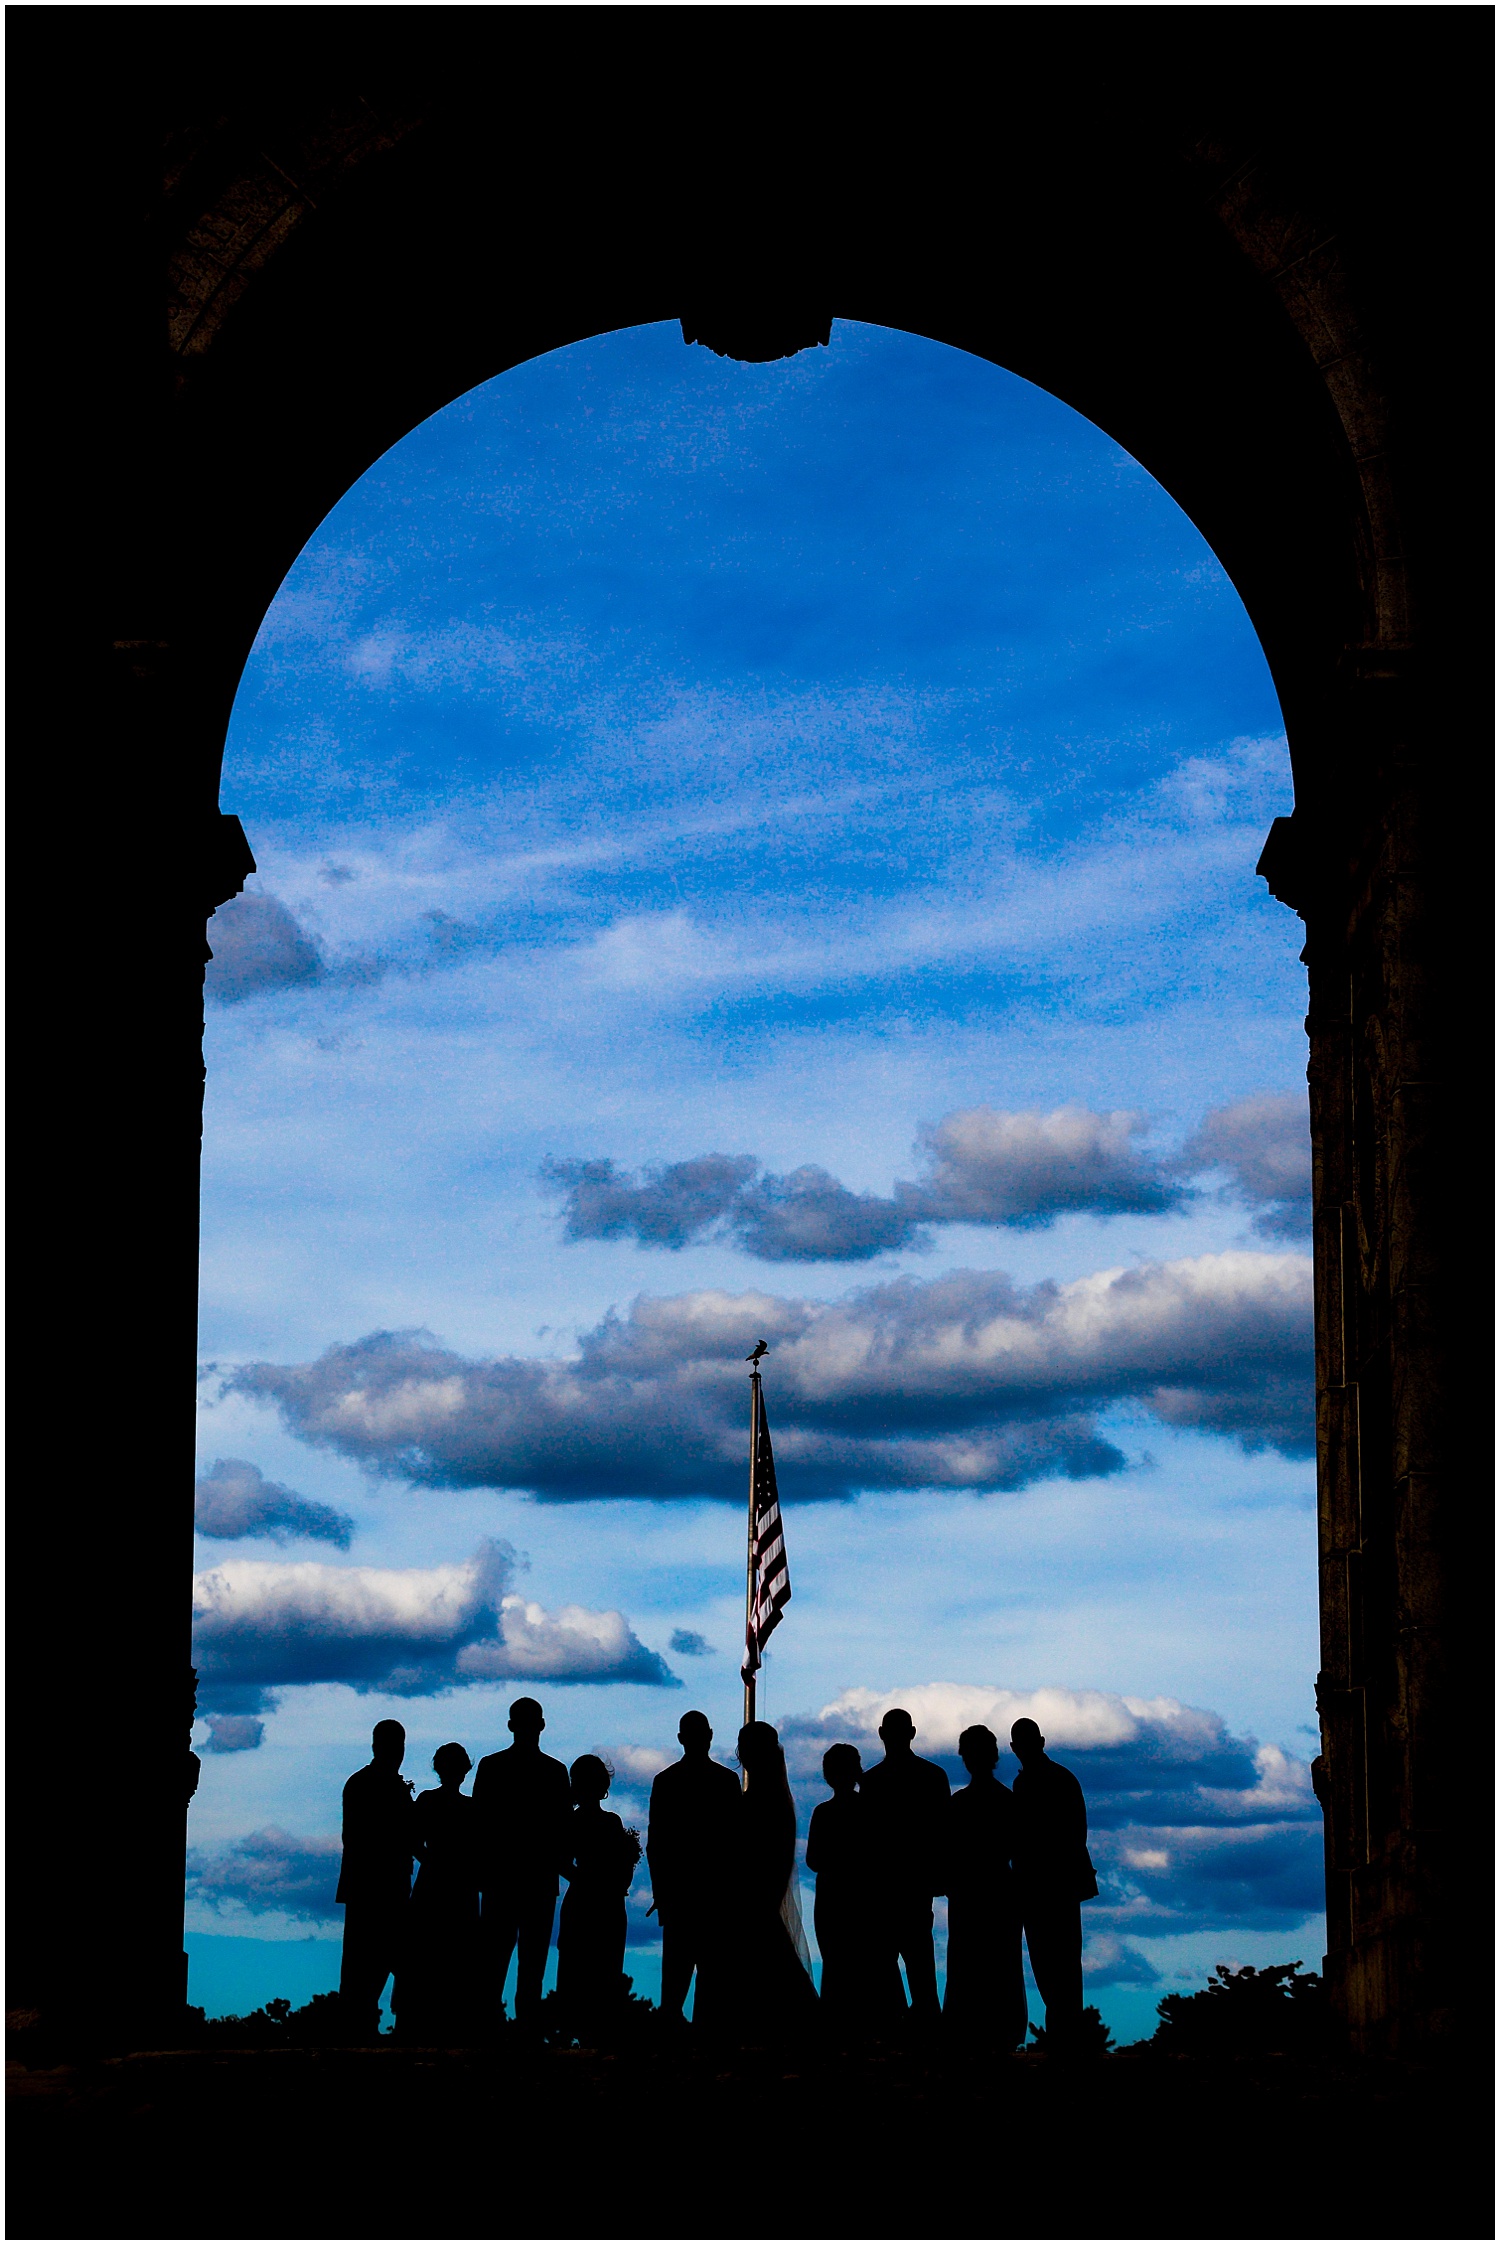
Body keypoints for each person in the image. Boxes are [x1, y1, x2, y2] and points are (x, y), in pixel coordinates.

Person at [472, 1697, 573, 2033]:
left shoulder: (491, 1767)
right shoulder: (555, 1772)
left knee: (495, 1961)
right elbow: (562, 1830)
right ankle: (525, 2029)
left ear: (511, 1725)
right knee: (530, 1965)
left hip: (503, 1879)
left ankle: (490, 2027)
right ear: (541, 1725)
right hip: (537, 1880)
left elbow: (480, 1826)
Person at [645, 1711, 742, 2023]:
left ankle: (675, 2029)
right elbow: (735, 1843)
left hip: (682, 1893)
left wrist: (661, 1891)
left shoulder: (666, 1781)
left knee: (677, 1972)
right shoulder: (726, 1781)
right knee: (706, 1973)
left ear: (680, 1738)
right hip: (712, 1893)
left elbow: (656, 1845)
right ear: (710, 1735)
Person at [858, 1707, 950, 2025]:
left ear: (883, 1734)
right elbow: (943, 1833)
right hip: (913, 1884)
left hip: (888, 1885)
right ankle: (924, 2021)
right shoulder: (933, 1777)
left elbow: (866, 1841)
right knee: (917, 1960)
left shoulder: (871, 1782)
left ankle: (899, 2022)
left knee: (890, 1960)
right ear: (912, 1733)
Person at [1009, 1716, 1096, 2051]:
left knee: (1050, 1963)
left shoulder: (1034, 1783)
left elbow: (1067, 1836)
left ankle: (1064, 2036)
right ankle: (1065, 2035)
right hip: (1054, 1886)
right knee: (1058, 1963)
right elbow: (1077, 1833)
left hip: (1043, 1886)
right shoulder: (1060, 1778)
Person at [805, 1743, 903, 2030]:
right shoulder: (872, 1811)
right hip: (864, 1898)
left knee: (839, 1965)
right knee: (869, 1964)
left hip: (835, 1898)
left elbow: (813, 1859)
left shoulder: (823, 1813)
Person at [943, 1724, 1026, 2052]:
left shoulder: (959, 1803)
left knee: (969, 1961)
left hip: (969, 1891)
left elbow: (948, 1850)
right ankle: (998, 2029)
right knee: (999, 1962)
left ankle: (969, 2029)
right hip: (996, 1889)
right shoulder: (1007, 1800)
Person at [336, 1719, 417, 2039]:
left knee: (384, 1960)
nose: (397, 1753)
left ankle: (365, 2023)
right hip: (372, 1887)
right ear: (377, 1747)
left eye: (400, 1746)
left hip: (386, 1886)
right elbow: (355, 1837)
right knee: (364, 1962)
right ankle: (358, 2025)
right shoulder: (364, 1784)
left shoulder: (374, 1784)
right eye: (392, 1746)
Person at [395, 1742, 480, 2043]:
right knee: (447, 1956)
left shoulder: (430, 1802)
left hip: (439, 1885)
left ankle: (426, 2024)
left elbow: (412, 1841)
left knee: (429, 1956)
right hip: (454, 1887)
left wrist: (432, 1860)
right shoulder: (469, 1808)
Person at [557, 1754, 641, 2040]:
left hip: (589, 1899)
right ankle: (597, 2030)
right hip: (602, 1901)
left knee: (581, 1970)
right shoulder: (609, 1822)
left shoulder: (576, 1821)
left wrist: (587, 1880)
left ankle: (580, 2030)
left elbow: (562, 1862)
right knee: (600, 1968)